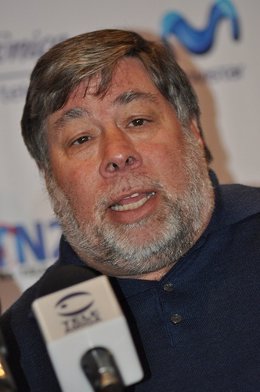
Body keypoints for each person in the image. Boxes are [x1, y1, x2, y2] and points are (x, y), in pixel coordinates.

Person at [0, 29, 259, 392]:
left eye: (137, 120)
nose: (117, 154)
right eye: (81, 139)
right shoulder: (19, 347)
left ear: (192, 131)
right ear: (49, 176)